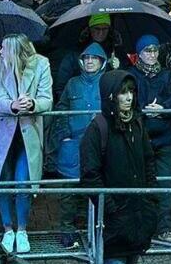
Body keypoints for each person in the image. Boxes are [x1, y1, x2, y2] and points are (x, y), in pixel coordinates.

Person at [80, 70, 158, 264]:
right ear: (111, 95)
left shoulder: (137, 123)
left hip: (138, 218)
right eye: (123, 92)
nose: (129, 97)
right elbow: (90, 174)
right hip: (114, 223)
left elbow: (148, 160)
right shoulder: (98, 128)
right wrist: (111, 209)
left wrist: (150, 198)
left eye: (131, 91)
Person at [0, 34, 52, 254]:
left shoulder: (41, 63)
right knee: (3, 181)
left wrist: (32, 103)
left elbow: (47, 98)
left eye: (3, 48)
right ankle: (8, 228)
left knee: (23, 181)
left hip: (28, 131)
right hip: (4, 131)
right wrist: (13, 105)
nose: (0, 52)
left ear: (14, 49)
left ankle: (22, 230)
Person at [51, 42, 107, 248]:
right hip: (72, 144)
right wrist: (65, 134)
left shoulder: (109, 82)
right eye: (86, 58)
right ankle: (67, 230)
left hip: (100, 144)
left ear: (102, 62)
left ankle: (94, 228)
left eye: (94, 58)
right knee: (68, 189)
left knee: (97, 187)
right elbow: (61, 109)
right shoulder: (72, 83)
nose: (90, 61)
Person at [126, 35, 171, 243]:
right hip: (140, 135)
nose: (152, 54)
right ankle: (139, 226)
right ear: (139, 53)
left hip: (164, 136)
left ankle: (165, 227)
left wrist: (164, 107)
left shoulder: (166, 75)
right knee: (138, 183)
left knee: (166, 182)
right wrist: (143, 110)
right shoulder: (131, 75)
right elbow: (127, 98)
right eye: (147, 50)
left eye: (155, 50)